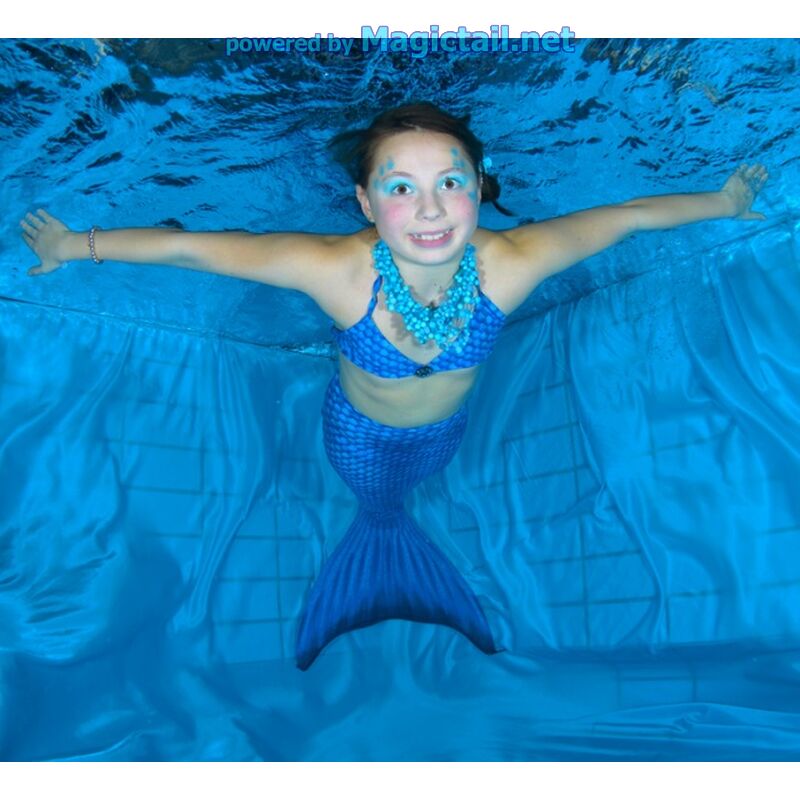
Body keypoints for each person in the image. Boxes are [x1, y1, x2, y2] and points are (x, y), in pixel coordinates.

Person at [19, 102, 769, 670]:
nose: (432, 207)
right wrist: (72, 245)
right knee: (377, 502)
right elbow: (194, 250)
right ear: (366, 203)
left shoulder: (512, 261)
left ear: (478, 187)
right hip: (358, 438)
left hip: (446, 436)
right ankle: (376, 547)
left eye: (450, 181)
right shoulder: (338, 271)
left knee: (408, 492)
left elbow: (631, 217)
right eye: (400, 188)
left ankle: (392, 548)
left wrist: (727, 204)